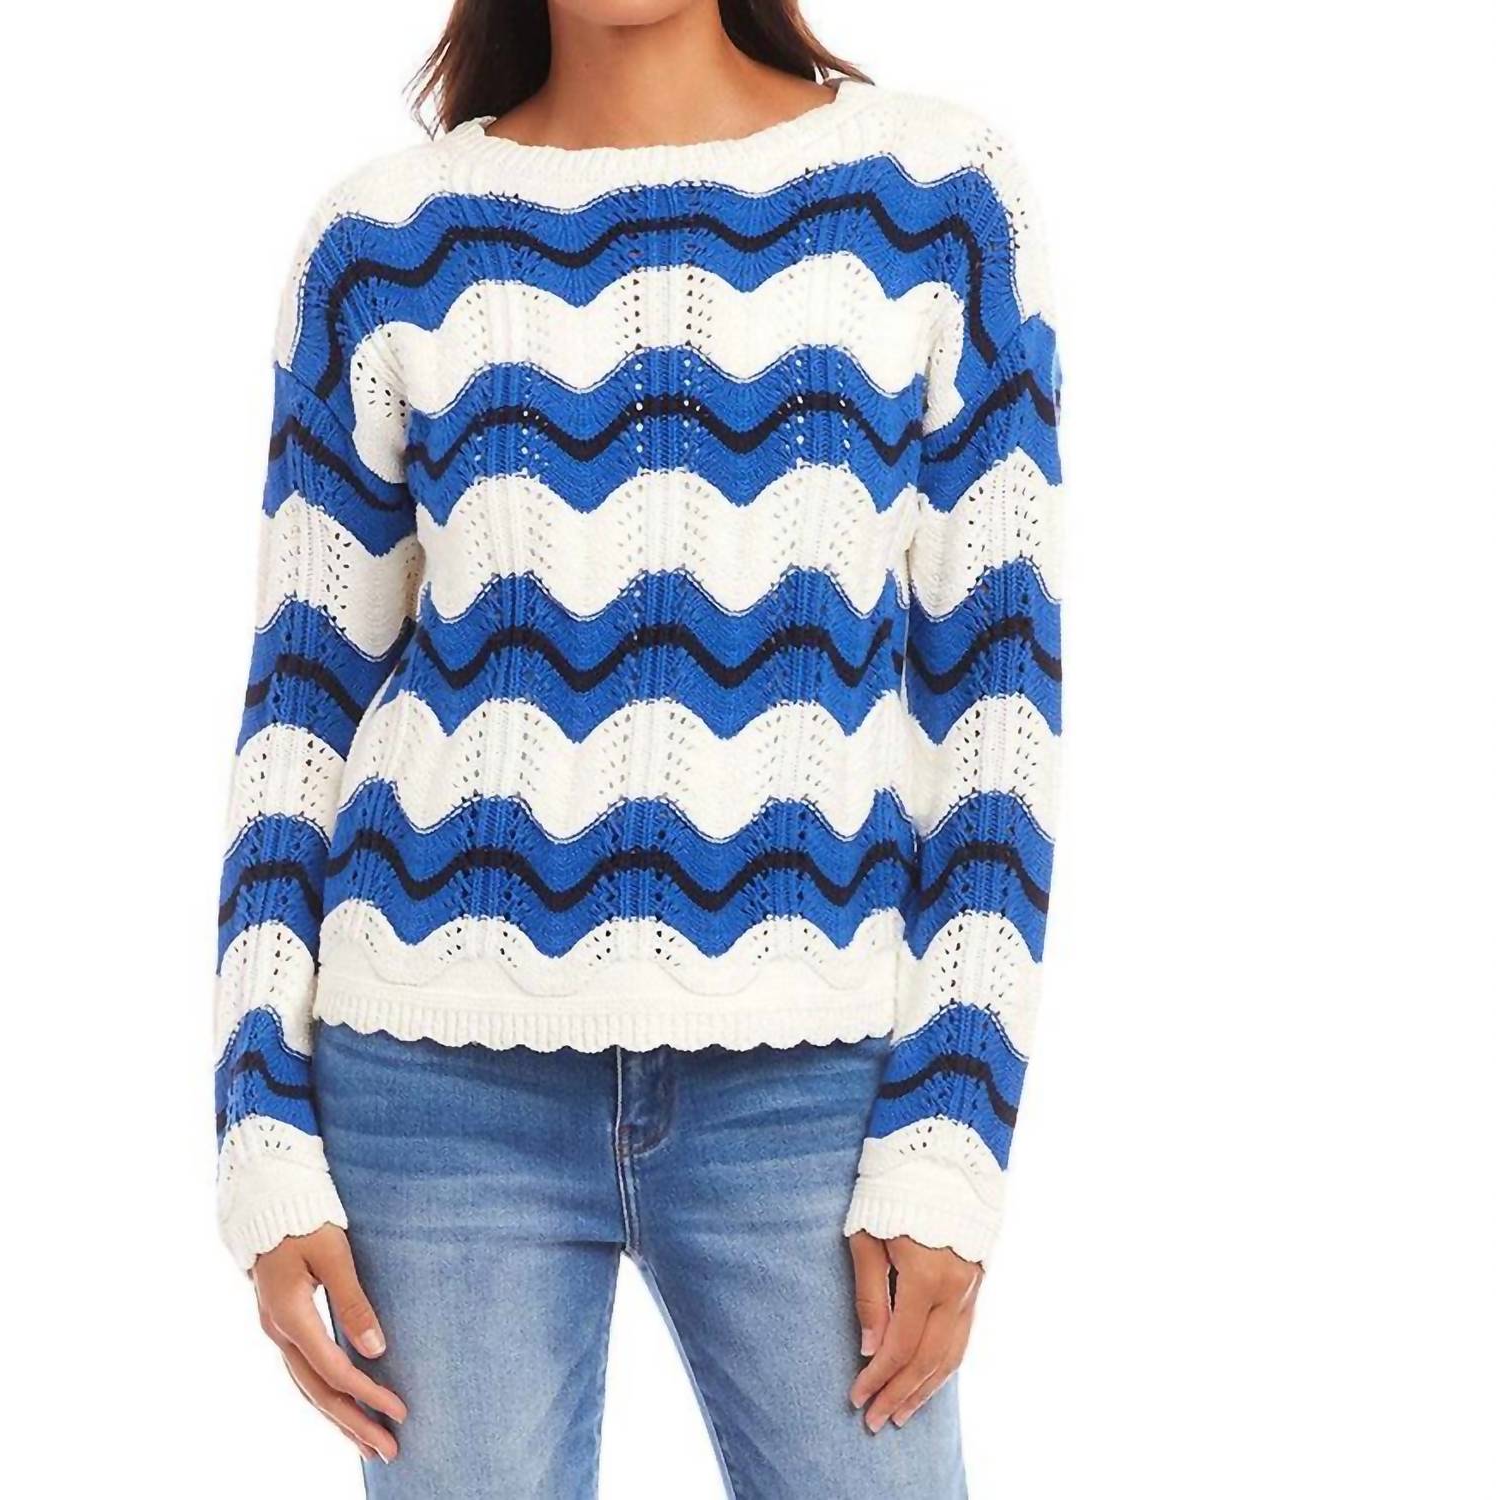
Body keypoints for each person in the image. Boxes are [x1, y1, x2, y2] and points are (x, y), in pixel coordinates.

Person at [213, 1, 1064, 1492]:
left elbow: (998, 701)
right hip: (433, 1077)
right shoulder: (386, 239)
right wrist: (258, 1121)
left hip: (817, 1082)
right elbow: (300, 707)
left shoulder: (935, 198)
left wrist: (954, 1126)